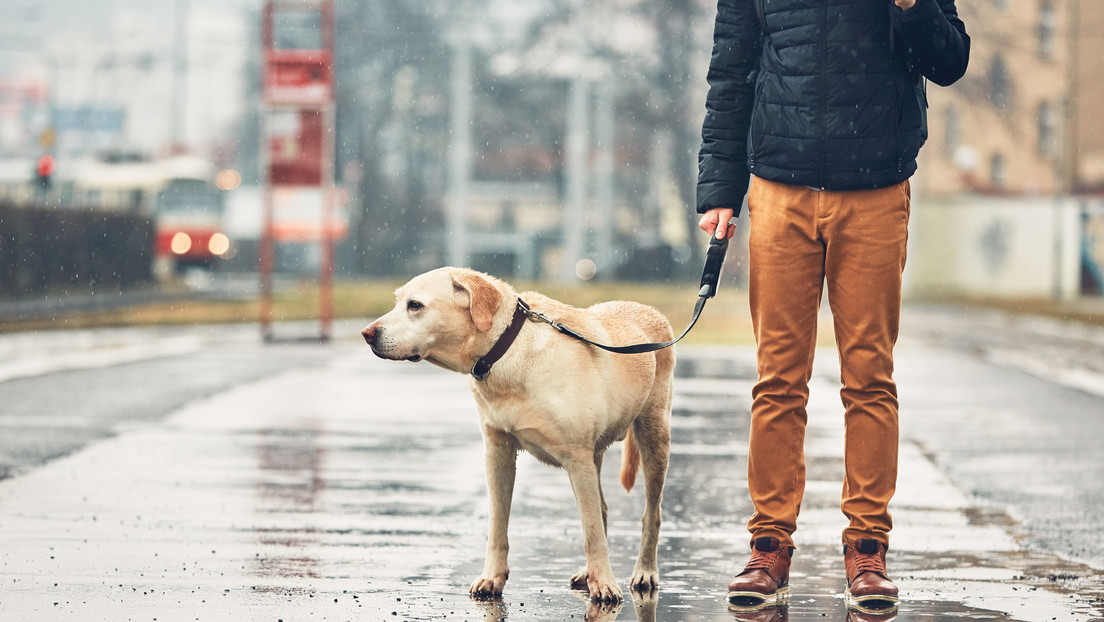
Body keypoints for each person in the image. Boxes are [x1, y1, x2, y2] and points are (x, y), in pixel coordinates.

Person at [695, 0, 969, 611]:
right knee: (777, 380)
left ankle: (867, 550)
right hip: (777, 190)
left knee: (869, 376)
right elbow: (731, 72)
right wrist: (720, 188)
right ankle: (769, 547)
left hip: (875, 189)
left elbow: (949, 60)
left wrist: (913, 8)